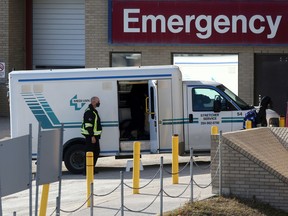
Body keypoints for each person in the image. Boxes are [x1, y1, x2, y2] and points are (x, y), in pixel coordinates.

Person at [81, 96, 102, 174]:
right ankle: (86, 171)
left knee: (96, 152)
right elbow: (88, 125)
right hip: (90, 136)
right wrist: (92, 136)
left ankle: (91, 168)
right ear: (93, 102)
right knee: (90, 152)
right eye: (98, 101)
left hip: (94, 136)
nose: (99, 103)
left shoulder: (94, 111)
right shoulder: (89, 112)